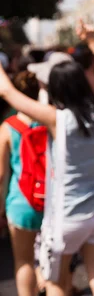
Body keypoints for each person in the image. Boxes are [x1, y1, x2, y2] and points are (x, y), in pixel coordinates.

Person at [0, 21, 94, 296]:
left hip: (66, 217)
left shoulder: (57, 119)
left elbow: (7, 92)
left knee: (55, 285)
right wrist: (93, 42)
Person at [0, 71, 45, 296]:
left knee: (23, 261)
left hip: (21, 202)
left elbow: (0, 174)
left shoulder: (7, 127)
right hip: (51, 199)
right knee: (55, 260)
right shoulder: (50, 120)